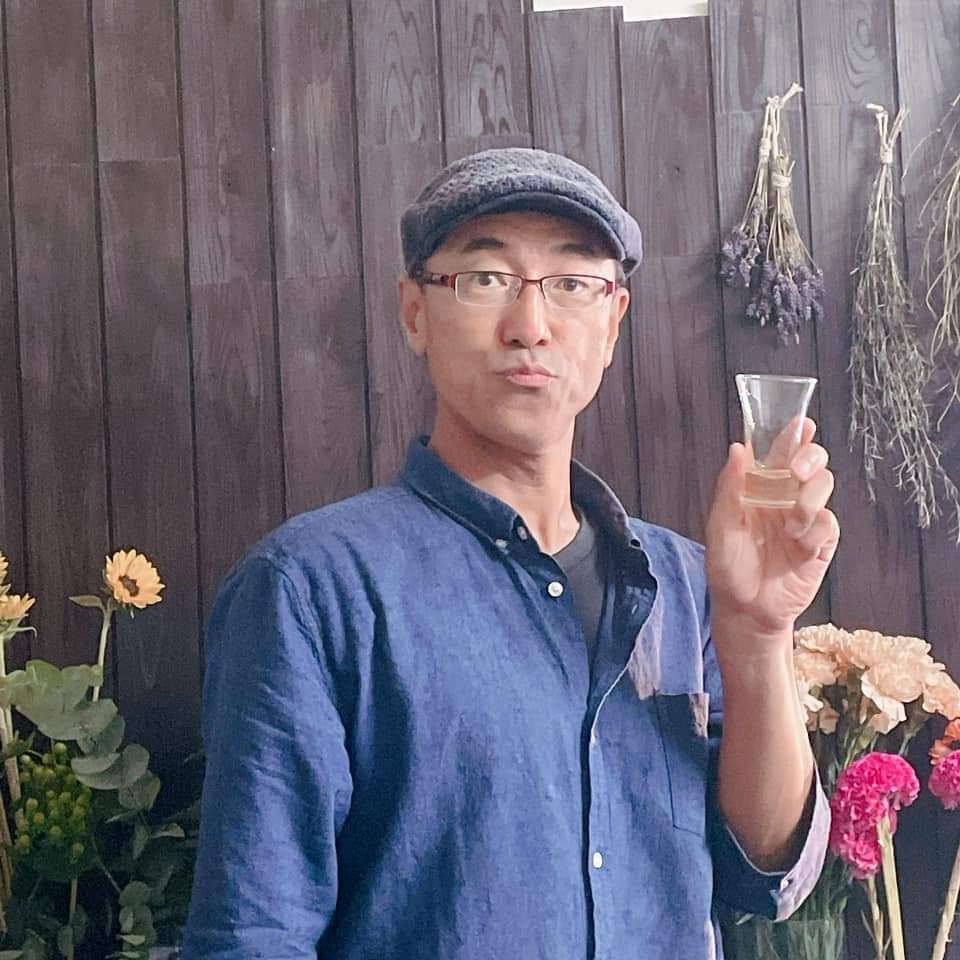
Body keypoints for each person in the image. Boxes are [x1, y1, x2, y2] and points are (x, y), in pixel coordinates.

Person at [182, 148, 835, 959]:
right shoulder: (312, 591)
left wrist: (759, 636)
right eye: (485, 279)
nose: (530, 325)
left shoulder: (689, 585)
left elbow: (766, 869)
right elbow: (252, 937)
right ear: (415, 313)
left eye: (572, 284)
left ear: (613, 322)